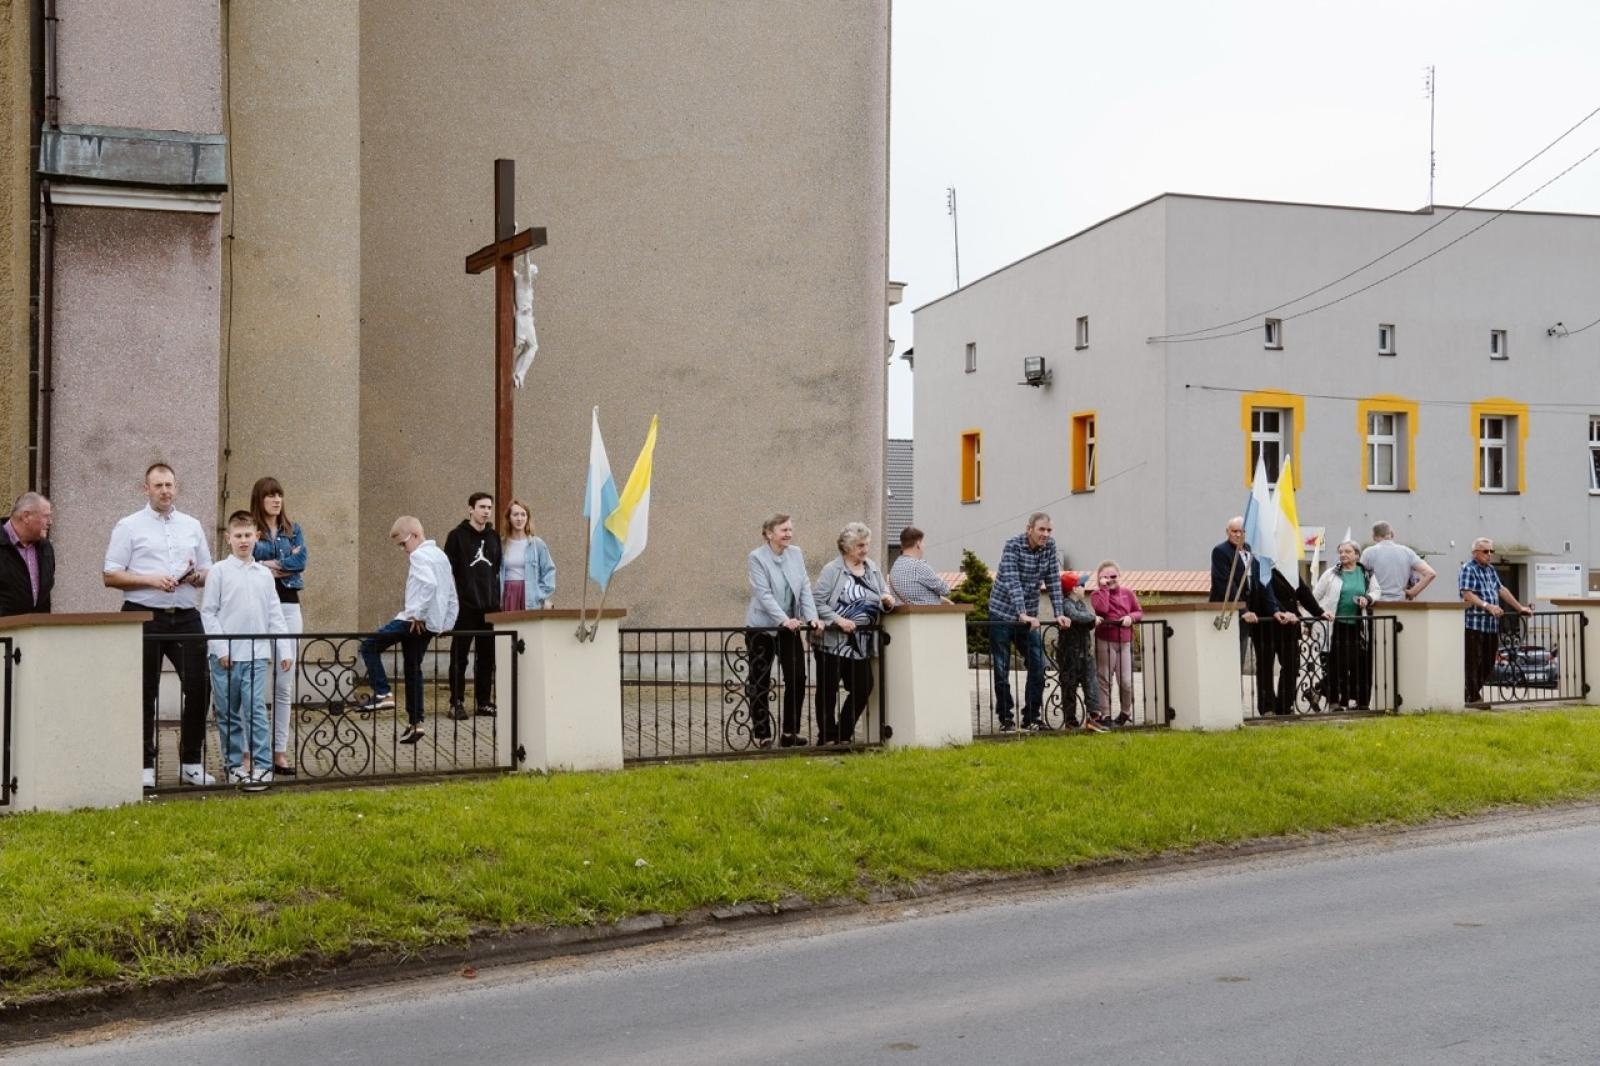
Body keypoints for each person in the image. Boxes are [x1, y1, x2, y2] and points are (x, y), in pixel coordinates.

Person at [104, 463, 215, 790]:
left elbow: (208, 571)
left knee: (199, 686)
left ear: (176, 487)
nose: (165, 490)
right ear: (146, 489)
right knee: (144, 692)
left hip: (185, 614)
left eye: (169, 485)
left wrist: (196, 577)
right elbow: (110, 574)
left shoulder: (192, 525)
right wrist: (149, 580)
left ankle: (192, 762)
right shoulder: (128, 526)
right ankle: (144, 764)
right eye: (158, 485)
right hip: (143, 614)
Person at [202, 511, 293, 791]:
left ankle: (263, 767)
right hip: (225, 658)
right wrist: (220, 648)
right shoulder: (218, 571)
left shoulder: (264, 575)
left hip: (256, 654)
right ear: (229, 538)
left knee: (255, 710)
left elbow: (274, 613)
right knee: (228, 714)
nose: (243, 541)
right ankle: (234, 767)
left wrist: (284, 649)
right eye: (238, 536)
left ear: (257, 537)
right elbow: (208, 612)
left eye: (248, 535)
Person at [358, 516, 458, 744]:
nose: (403, 550)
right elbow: (452, 592)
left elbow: (430, 584)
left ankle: (382, 693)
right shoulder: (440, 555)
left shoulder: (419, 555)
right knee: (413, 668)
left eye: (403, 543)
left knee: (369, 645)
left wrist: (418, 614)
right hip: (432, 624)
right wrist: (446, 624)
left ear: (414, 535)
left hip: (414, 620)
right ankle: (416, 723)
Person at [813, 522, 896, 745]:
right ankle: (827, 736)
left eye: (867, 544)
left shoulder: (872, 567)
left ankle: (843, 733)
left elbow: (883, 594)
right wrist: (838, 620)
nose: (865, 549)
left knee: (863, 687)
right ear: (847, 547)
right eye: (860, 545)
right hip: (833, 640)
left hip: (861, 642)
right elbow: (817, 602)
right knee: (828, 689)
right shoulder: (833, 570)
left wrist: (887, 601)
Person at [988, 513, 1071, 733]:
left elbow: (1053, 579)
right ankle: (1006, 718)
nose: (1045, 534)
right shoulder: (1012, 546)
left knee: (1038, 665)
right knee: (1001, 668)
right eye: (1041, 530)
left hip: (1029, 617)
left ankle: (1031, 718)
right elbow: (1012, 581)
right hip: (1002, 613)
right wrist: (1021, 613)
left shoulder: (1050, 547)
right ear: (1029, 529)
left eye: (1048, 530)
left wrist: (1059, 612)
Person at [744, 513, 820, 748]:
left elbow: (805, 586)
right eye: (783, 530)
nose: (789, 534)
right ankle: (763, 734)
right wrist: (783, 619)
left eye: (790, 529)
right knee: (760, 680)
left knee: (797, 677)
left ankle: (789, 732)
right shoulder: (757, 557)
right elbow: (763, 593)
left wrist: (812, 617)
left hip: (790, 627)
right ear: (769, 534)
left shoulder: (795, 554)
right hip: (762, 627)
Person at [250, 477, 307, 777]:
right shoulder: (252, 531)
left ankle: (279, 752)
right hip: (260, 607)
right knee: (257, 682)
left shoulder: (293, 529)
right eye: (270, 496)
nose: (276, 500)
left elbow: (303, 561)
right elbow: (247, 562)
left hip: (288, 607)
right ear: (259, 499)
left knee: (284, 683)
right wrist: (283, 562)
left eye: (279, 495)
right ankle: (254, 752)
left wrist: (265, 565)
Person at [1209, 516, 1280, 716]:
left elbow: (1264, 583)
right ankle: (1231, 707)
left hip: (1257, 613)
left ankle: (1266, 706)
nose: (1238, 535)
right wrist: (1242, 611)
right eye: (1234, 531)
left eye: (1242, 531)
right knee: (1233, 661)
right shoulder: (1221, 552)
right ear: (1227, 532)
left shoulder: (1252, 551)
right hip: (1234, 614)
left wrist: (1274, 609)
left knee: (1265, 659)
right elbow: (1225, 584)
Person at [444, 492, 502, 720]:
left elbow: (496, 569)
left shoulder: (494, 537)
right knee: (459, 656)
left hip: (489, 607)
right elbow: (447, 571)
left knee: (487, 657)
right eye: (481, 507)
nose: (486, 511)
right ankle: (456, 702)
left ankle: (484, 701)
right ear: (470, 509)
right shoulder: (456, 536)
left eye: (489, 507)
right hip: (464, 607)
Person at [1459, 537, 1533, 707]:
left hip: (1491, 625)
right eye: (1485, 551)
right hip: (1474, 624)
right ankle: (1474, 697)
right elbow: (1467, 594)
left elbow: (1501, 589)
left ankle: (1469, 693)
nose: (1490, 555)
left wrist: (1519, 607)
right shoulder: (1468, 569)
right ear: (1475, 553)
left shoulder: (1491, 569)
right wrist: (1488, 606)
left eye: (1492, 551)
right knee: (1472, 662)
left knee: (1488, 663)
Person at [1313, 540, 1381, 710]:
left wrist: (1368, 599)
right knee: (1336, 664)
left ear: (1357, 555)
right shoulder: (1331, 573)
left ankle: (1360, 702)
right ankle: (1334, 702)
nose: (1343, 555)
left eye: (1347, 552)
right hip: (1336, 625)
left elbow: (1376, 591)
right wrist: (1320, 613)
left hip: (1358, 625)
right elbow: (1315, 596)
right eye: (1341, 551)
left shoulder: (1366, 573)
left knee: (1359, 663)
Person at [1267, 568, 1329, 715]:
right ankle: (1267, 707)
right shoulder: (1263, 565)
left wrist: (1319, 612)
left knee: (1291, 666)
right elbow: (1266, 594)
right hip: (1268, 623)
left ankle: (1285, 706)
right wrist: (1282, 611)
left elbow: (1303, 592)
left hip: (1290, 624)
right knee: (1266, 667)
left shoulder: (1289, 565)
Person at [1089, 560, 1143, 727]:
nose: (1110, 579)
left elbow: (1139, 611)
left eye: (1113, 576)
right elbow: (1102, 610)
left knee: (1126, 681)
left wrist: (1130, 617)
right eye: (1105, 577)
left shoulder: (1127, 592)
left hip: (1124, 641)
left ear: (1119, 576)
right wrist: (1104, 588)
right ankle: (1105, 714)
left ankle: (1126, 712)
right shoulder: (1096, 594)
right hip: (1105, 641)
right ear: (1099, 578)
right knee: (1104, 679)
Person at [1058, 571, 1103, 731]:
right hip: (1069, 654)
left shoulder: (1081, 604)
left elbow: (1084, 618)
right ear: (1073, 589)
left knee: (1091, 683)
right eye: (1081, 585)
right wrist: (1091, 618)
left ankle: (1093, 717)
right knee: (1069, 686)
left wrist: (1090, 619)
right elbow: (1077, 616)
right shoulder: (1066, 604)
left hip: (1085, 652)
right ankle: (1070, 720)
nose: (1084, 588)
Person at [0, 492, 54, 616]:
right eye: (46, 516)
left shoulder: (46, 549)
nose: (50, 522)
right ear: (26, 517)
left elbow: (45, 597)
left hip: (37, 632)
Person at [500, 499, 556, 611]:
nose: (519, 519)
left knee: (528, 628)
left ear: (527, 518)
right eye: (515, 515)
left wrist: (539, 594)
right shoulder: (501, 544)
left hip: (529, 596)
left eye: (523, 514)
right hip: (508, 594)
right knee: (509, 627)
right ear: (509, 518)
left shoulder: (537, 544)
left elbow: (549, 571)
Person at [1361, 521, 1437, 602]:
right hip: (1400, 604)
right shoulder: (1407, 552)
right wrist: (1413, 592)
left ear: (1373, 536)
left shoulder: (1368, 553)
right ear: (1392, 534)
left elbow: (1358, 576)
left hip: (1376, 603)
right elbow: (1431, 573)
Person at [887, 526, 952, 605]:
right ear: (918, 544)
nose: (924, 546)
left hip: (905, 615)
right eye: (923, 542)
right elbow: (945, 590)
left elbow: (917, 597)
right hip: (926, 615)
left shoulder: (895, 567)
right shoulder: (919, 566)